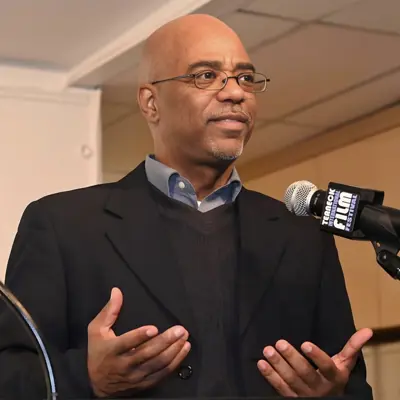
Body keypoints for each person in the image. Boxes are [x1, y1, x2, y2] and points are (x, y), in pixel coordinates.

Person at [0, 13, 373, 399]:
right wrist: (86, 377)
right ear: (150, 103)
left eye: (246, 78)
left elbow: (351, 383)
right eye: (205, 76)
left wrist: (331, 395)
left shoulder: (303, 236)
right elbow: (9, 377)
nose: (235, 93)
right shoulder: (62, 226)